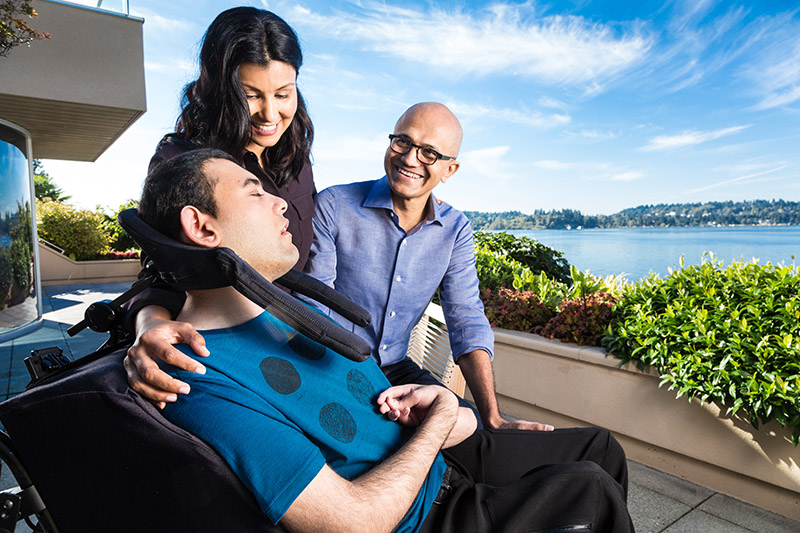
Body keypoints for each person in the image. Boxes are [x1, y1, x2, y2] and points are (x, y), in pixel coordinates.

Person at [137, 148, 634, 532]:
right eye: (254, 192)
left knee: (601, 449)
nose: (283, 203)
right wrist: (440, 419)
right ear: (200, 226)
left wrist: (457, 411)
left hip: (433, 459)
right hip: (425, 511)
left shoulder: (299, 315)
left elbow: (458, 333)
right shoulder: (197, 371)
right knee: (588, 491)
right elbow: (351, 522)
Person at [127, 102, 552, 432]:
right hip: (335, 362)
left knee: (478, 432)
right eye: (401, 141)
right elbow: (316, 297)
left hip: (399, 365)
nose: (409, 158)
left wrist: (491, 414)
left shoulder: (456, 229)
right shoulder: (333, 204)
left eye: (429, 152)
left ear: (450, 169)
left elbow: (466, 319)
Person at [122, 7, 316, 384]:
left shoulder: (296, 158)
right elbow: (162, 274)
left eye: (283, 93)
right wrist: (149, 326)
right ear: (219, 90)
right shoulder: (179, 161)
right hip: (222, 355)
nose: (270, 113)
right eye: (251, 95)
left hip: (293, 341)